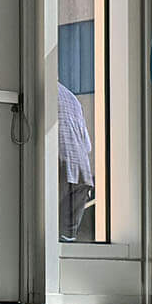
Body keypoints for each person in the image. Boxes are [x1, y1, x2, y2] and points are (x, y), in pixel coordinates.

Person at [57, 83, 95, 241]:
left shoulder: (36, 90)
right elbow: (87, 146)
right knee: (66, 239)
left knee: (38, 234)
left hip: (57, 167)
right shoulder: (71, 98)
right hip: (81, 173)